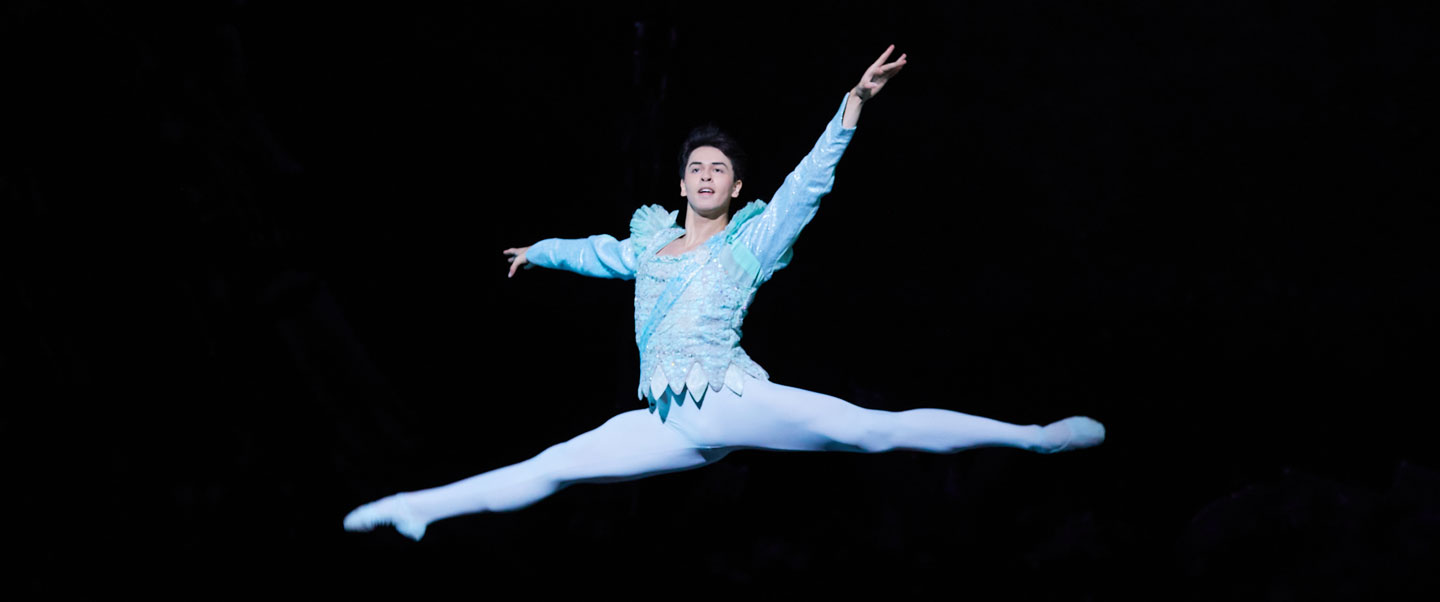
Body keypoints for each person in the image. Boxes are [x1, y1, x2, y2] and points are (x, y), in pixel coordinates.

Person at [344, 45, 1105, 542]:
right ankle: (420, 509)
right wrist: (540, 252)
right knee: (559, 462)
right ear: (680, 184)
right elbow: (597, 252)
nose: (706, 174)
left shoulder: (750, 242)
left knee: (867, 430)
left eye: (719, 170)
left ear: (735, 189)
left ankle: (1033, 436)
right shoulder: (648, 245)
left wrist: (853, 104)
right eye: (695, 167)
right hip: (671, 423)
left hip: (730, 399)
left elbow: (808, 184)